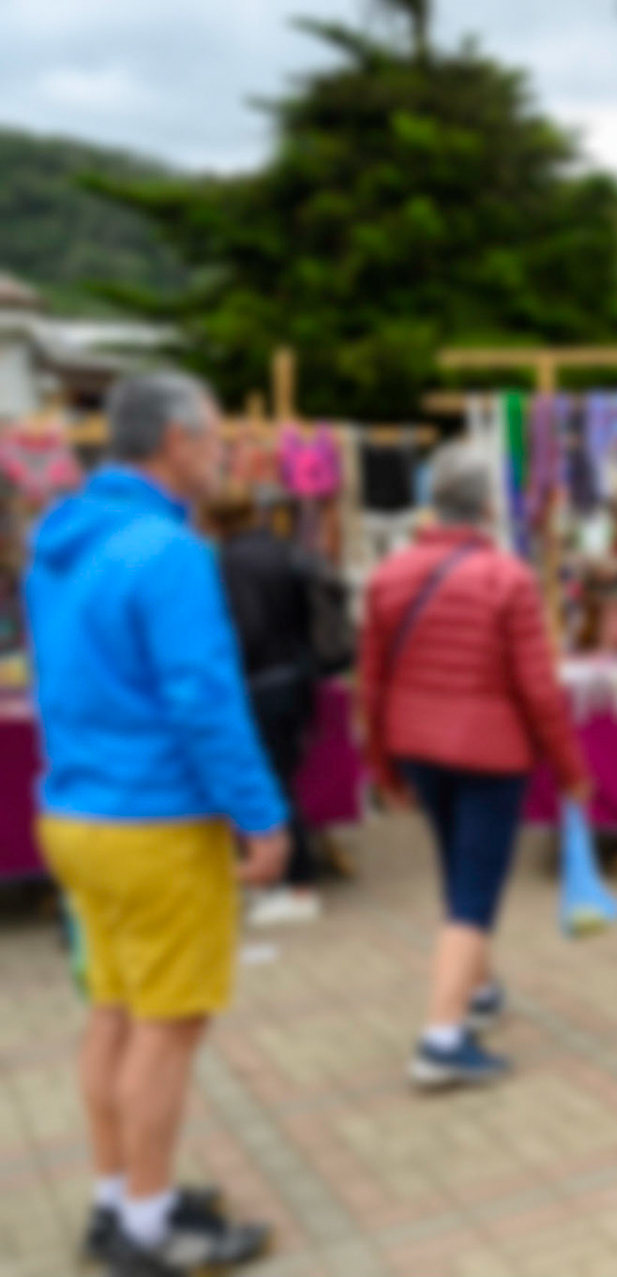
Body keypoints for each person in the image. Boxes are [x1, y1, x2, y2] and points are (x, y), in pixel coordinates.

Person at [26, 371, 287, 1277]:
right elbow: (204, 701)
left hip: (77, 811)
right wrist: (261, 817)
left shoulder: (58, 541)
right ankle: (147, 1226)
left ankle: (118, 1197)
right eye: (214, 438)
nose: (221, 455)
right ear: (175, 441)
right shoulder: (170, 551)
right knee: (168, 1027)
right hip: (156, 822)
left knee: (113, 1010)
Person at [358, 442, 590, 1088]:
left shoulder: (389, 575)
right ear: (488, 505)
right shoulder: (506, 579)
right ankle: (441, 1037)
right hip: (490, 753)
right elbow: (537, 689)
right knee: (473, 890)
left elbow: (370, 686)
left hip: (416, 747)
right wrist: (570, 769)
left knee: (458, 869)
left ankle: (478, 989)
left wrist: (383, 769)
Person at [206, 486, 322, 926]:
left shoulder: (233, 561)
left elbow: (249, 627)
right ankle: (286, 881)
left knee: (275, 785)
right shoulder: (281, 548)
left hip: (263, 683)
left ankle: (298, 885)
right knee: (283, 779)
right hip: (296, 676)